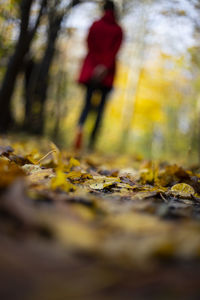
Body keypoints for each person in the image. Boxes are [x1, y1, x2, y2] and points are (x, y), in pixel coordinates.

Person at [74, 0, 123, 150]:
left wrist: (96, 66)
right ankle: (91, 143)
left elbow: (89, 44)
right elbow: (115, 51)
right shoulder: (118, 30)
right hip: (107, 73)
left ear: (103, 10)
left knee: (87, 104)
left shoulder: (95, 25)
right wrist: (104, 67)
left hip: (91, 70)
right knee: (100, 109)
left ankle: (79, 131)